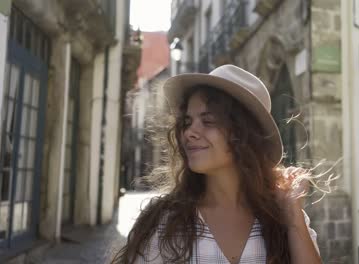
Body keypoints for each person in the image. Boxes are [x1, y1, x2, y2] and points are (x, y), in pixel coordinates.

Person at [113, 65, 322, 264]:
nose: (189, 133)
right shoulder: (164, 221)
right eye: (187, 122)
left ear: (244, 133)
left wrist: (293, 217)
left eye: (208, 121)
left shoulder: (284, 216)